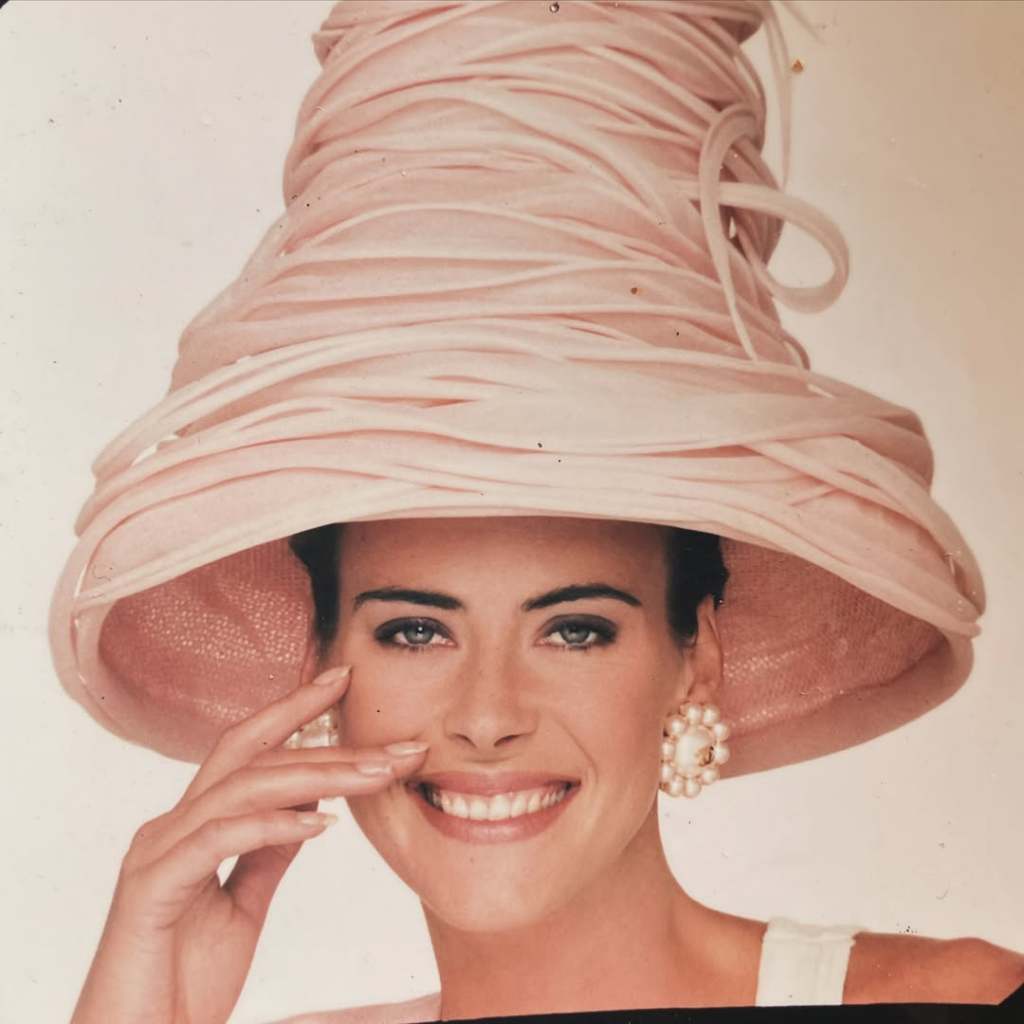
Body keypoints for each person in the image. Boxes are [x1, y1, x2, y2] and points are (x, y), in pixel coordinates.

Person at [47, 1, 1023, 1021]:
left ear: (695, 659)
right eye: (414, 630)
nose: (486, 718)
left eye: (576, 629)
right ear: (318, 665)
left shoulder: (959, 1002)